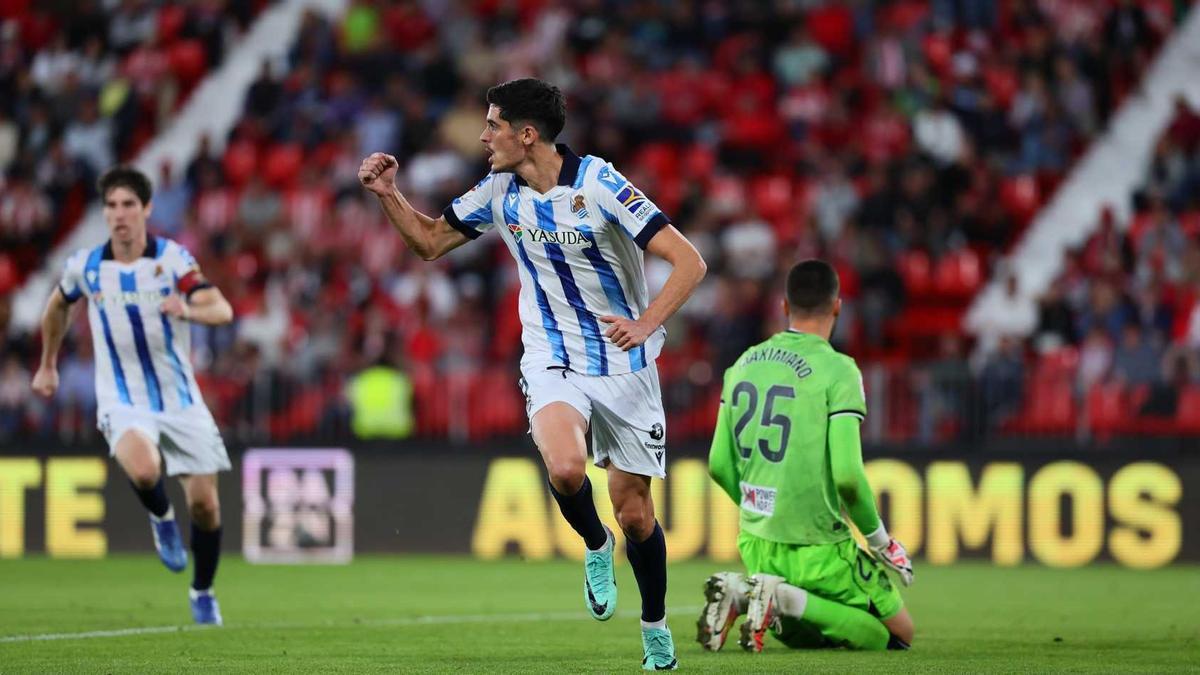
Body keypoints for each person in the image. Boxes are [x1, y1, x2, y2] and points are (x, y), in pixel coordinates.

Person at [359, 78, 706, 670]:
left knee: (636, 514)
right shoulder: (499, 191)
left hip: (625, 363)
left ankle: (654, 628)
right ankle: (595, 545)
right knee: (567, 468)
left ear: (526, 134)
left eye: (492, 124)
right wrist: (389, 195)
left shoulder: (599, 183)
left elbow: (688, 261)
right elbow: (430, 241)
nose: (482, 135)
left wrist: (646, 323)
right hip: (552, 355)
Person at [31, 166, 235, 625]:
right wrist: (47, 364)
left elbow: (221, 309)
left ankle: (203, 591)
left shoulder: (172, 261)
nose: (119, 214)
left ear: (146, 209)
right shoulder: (86, 266)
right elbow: (57, 307)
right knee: (144, 470)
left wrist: (186, 308)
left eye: (128, 205)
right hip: (123, 398)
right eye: (111, 206)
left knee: (205, 506)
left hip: (180, 399)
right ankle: (162, 520)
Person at [698, 259, 915, 653]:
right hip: (819, 542)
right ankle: (781, 597)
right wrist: (881, 542)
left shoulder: (742, 364)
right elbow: (848, 476)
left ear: (784, 307)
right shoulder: (839, 370)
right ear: (837, 306)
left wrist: (764, 507)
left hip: (758, 543)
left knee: (819, 639)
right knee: (898, 636)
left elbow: (717, 464)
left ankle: (747, 595)